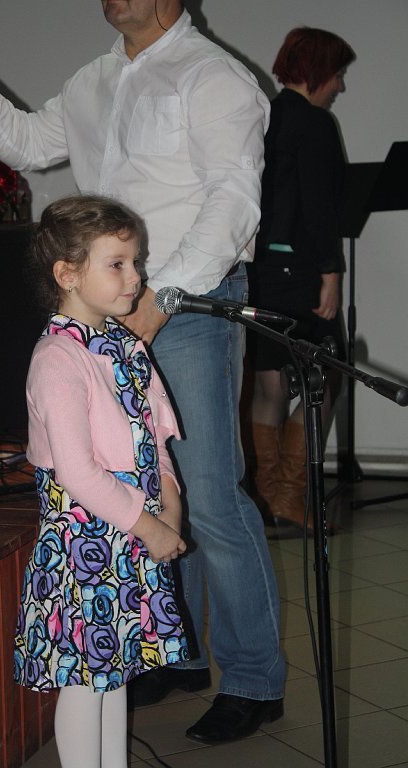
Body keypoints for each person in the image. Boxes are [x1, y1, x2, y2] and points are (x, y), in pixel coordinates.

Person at [0, 0, 285, 743]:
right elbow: (33, 144)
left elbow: (233, 199)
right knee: (137, 483)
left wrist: (162, 298)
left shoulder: (213, 75)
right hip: (107, 310)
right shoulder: (94, 78)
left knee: (206, 494)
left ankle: (254, 678)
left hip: (186, 302)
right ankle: (175, 653)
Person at [14, 194, 188, 768]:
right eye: (117, 264)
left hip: (130, 535)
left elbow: (155, 438)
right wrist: (148, 526)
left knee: (114, 674)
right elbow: (78, 472)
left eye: (136, 262)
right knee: (86, 680)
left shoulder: (126, 345)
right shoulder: (57, 359)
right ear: (68, 274)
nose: (136, 277)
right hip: (84, 544)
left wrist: (170, 509)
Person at [245, 27, 356, 533]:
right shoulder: (314, 123)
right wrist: (331, 272)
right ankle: (290, 498)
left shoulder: (264, 116)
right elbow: (319, 206)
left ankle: (269, 499)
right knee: (326, 377)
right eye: (338, 74)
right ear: (318, 72)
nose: (340, 86)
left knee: (270, 383)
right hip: (301, 272)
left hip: (261, 270)